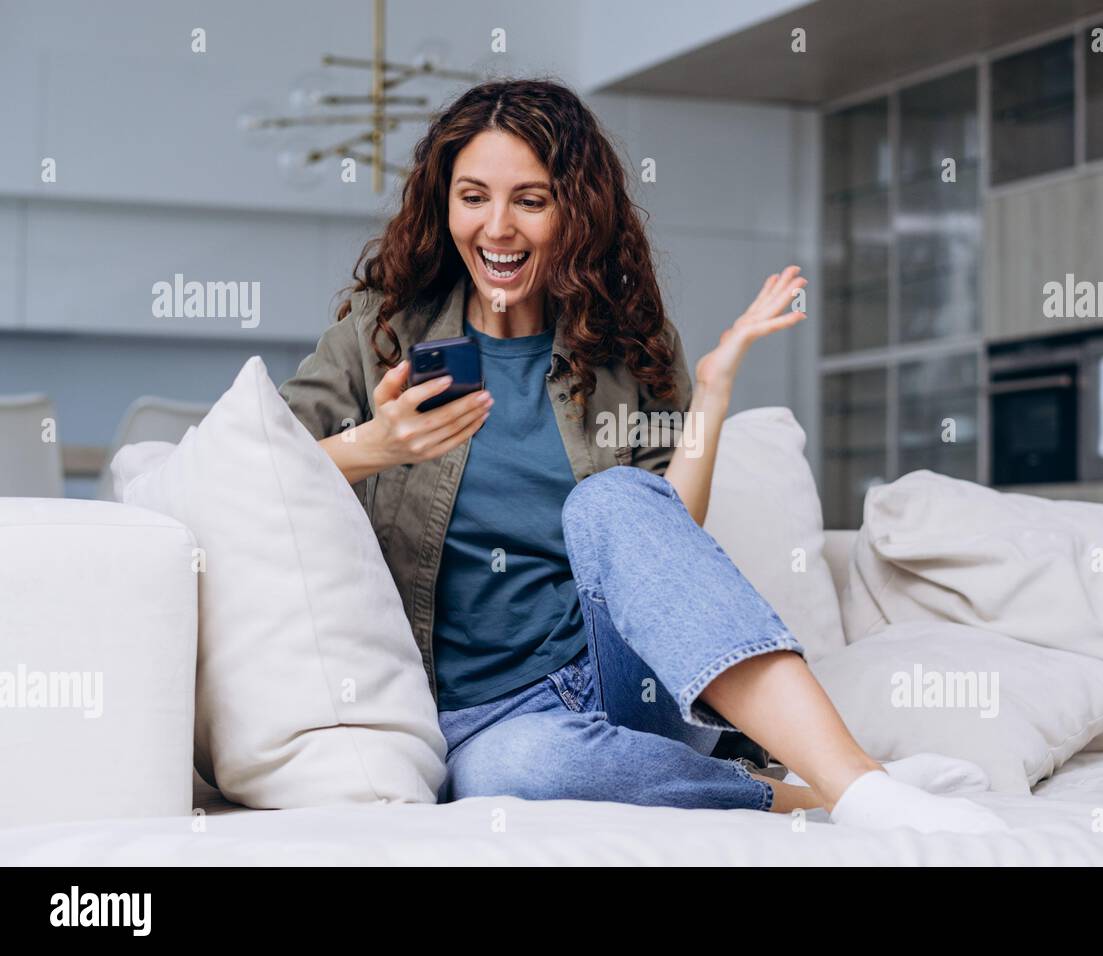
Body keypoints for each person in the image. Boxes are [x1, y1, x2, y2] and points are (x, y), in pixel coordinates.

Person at [279, 78, 1006, 834]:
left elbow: (667, 535)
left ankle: (858, 784)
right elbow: (256, 468)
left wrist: (714, 395)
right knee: (508, 774)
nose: (497, 227)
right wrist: (377, 444)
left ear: (574, 210)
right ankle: (801, 794)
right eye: (473, 197)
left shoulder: (626, 341)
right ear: (444, 203)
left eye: (530, 200)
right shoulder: (381, 335)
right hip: (483, 722)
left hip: (622, 676)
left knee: (614, 499)